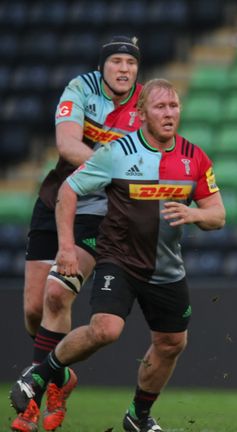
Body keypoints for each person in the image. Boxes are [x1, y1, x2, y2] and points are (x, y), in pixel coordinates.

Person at [9, 79, 226, 432]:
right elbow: (68, 190)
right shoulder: (117, 153)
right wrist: (65, 247)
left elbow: (218, 214)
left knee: (172, 343)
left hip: (166, 266)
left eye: (174, 106)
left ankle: (138, 417)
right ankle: (42, 374)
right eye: (160, 107)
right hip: (119, 259)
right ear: (141, 113)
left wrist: (195, 215)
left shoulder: (194, 157)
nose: (169, 113)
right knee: (106, 329)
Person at [13, 35, 143, 432]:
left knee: (58, 293)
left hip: (101, 212)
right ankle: (60, 376)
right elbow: (67, 144)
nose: (124, 69)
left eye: (131, 63)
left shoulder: (146, 103)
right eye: (116, 61)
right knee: (35, 309)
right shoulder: (80, 89)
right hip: (57, 199)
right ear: (103, 66)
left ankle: (33, 400)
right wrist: (115, 167)